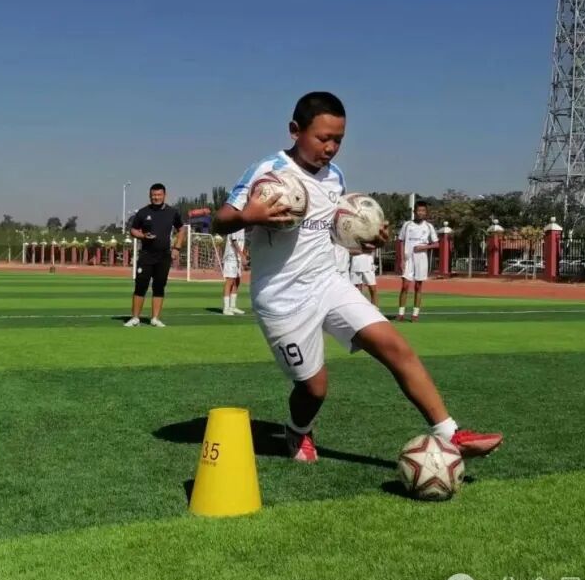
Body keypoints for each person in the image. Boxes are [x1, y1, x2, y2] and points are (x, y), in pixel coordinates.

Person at [211, 91, 502, 462]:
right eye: (323, 138)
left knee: (394, 346)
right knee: (314, 389)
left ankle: (451, 433)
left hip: (328, 282)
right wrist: (248, 216)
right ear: (295, 131)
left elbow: (331, 230)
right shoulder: (268, 172)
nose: (331, 148)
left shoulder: (335, 177)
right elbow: (220, 221)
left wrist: (363, 239)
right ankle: (298, 429)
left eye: (339, 140)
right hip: (282, 298)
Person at [124, 183, 186, 328]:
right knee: (140, 286)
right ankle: (135, 318)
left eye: (159, 195)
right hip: (146, 255)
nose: (156, 197)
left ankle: (155, 319)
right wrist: (142, 236)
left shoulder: (172, 212)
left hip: (164, 256)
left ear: (164, 195)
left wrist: (177, 247)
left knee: (159, 287)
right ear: (149, 195)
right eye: (153, 195)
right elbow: (133, 230)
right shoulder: (143, 212)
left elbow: (181, 229)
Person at [397, 201, 438, 322]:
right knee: (405, 286)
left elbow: (436, 244)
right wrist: (402, 259)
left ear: (426, 212)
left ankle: (415, 314)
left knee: (418, 286)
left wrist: (424, 247)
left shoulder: (428, 226)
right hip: (408, 259)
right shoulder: (407, 225)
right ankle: (401, 313)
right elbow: (401, 241)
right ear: (414, 212)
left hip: (421, 259)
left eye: (423, 211)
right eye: (419, 210)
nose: (421, 213)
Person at [221, 228, 247, 316]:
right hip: (230, 257)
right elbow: (234, 241)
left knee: (237, 281)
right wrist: (242, 255)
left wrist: (244, 255)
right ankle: (226, 308)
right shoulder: (234, 226)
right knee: (230, 281)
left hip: (238, 258)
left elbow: (242, 243)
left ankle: (232, 306)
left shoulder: (243, 228)